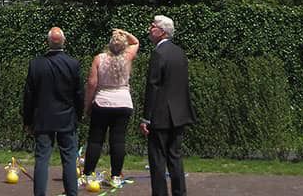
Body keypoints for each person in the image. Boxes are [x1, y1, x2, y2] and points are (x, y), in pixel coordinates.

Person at [23, 26, 84, 196]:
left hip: (43, 118)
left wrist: (27, 120)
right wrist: (79, 115)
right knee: (69, 158)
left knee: (42, 159)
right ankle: (72, 193)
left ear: (47, 42)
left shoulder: (36, 64)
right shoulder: (73, 64)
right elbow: (79, 94)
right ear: (64, 42)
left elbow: (29, 95)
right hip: (67, 117)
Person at [139, 15, 195, 196]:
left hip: (161, 114)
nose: (150, 29)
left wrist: (146, 117)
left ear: (162, 32)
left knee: (157, 159)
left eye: (153, 26)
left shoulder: (158, 53)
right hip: (179, 113)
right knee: (175, 157)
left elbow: (153, 86)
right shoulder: (180, 52)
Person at [81, 28, 140, 185]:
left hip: (103, 101)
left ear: (109, 44)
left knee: (95, 140)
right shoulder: (127, 57)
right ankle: (116, 176)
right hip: (123, 102)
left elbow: (92, 83)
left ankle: (88, 174)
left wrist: (87, 105)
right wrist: (124, 32)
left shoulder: (99, 59)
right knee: (118, 140)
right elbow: (136, 42)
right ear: (124, 46)